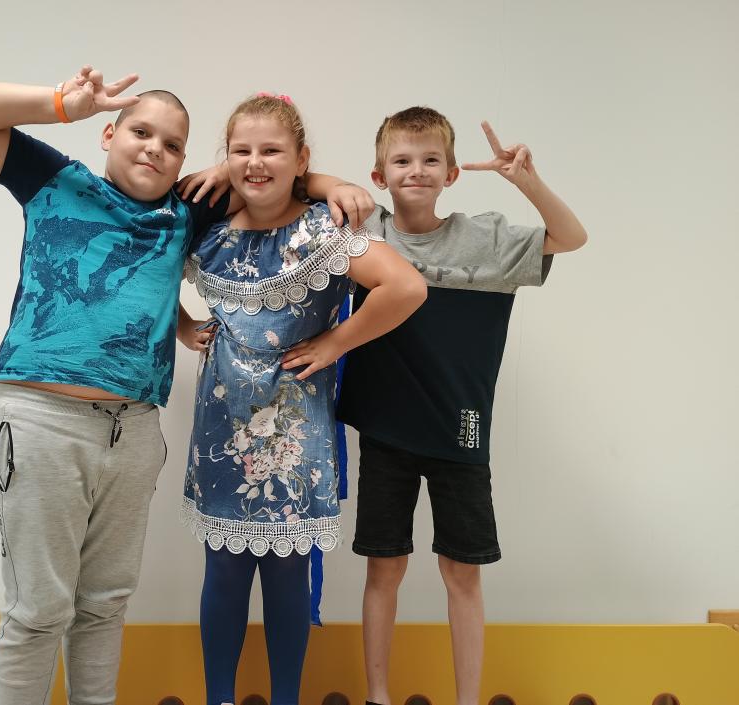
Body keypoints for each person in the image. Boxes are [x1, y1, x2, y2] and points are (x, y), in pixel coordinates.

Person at [0, 65, 234, 705]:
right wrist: (59, 105)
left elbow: (280, 176)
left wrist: (325, 184)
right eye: (141, 132)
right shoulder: (57, 182)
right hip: (43, 422)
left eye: (173, 144)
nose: (154, 149)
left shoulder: (183, 215)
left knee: (104, 604)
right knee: (39, 609)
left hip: (135, 431)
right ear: (109, 134)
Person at [177, 94, 427, 705]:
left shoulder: (323, 228)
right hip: (221, 430)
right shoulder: (207, 230)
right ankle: (218, 698)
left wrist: (337, 342)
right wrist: (183, 327)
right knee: (222, 571)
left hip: (295, 435)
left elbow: (405, 286)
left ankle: (287, 697)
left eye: (272, 150)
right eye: (241, 150)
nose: (256, 162)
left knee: (288, 576)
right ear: (225, 158)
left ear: (301, 159)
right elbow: (148, 271)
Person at [336, 107, 588, 705]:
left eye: (431, 160)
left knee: (462, 572)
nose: (417, 170)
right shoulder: (364, 233)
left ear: (451, 174)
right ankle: (378, 695)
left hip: (461, 431)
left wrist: (526, 181)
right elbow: (297, 188)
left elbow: (572, 237)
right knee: (384, 568)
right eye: (402, 160)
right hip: (386, 430)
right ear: (379, 176)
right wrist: (332, 185)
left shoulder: (488, 240)